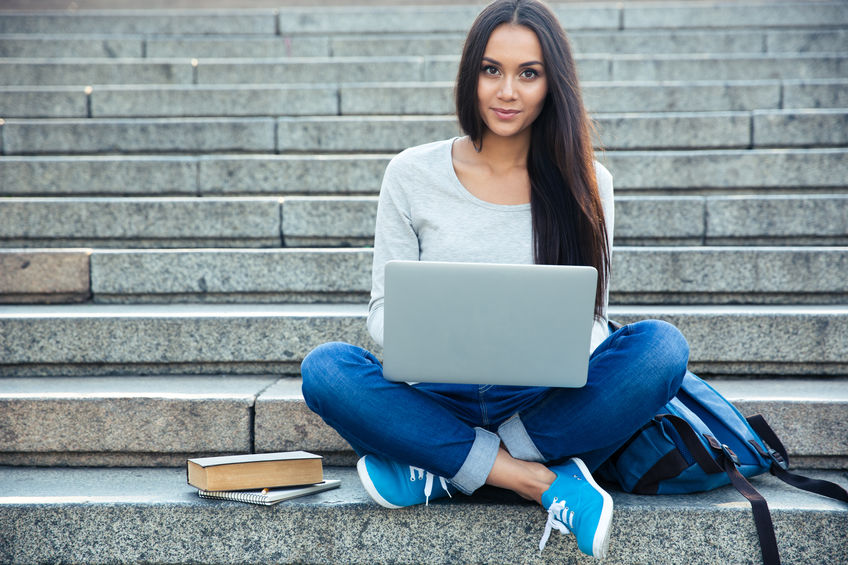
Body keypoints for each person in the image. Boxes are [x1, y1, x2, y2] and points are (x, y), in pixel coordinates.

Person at [301, 0, 690, 559]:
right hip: (435, 399)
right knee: (326, 371)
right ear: (470, 75)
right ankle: (539, 480)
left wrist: (552, 348)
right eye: (492, 70)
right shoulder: (411, 174)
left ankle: (443, 467)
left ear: (552, 83)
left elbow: (595, 322)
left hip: (540, 404)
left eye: (528, 73)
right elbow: (381, 314)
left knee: (660, 349)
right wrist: (440, 342)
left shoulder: (588, 182)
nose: (507, 91)